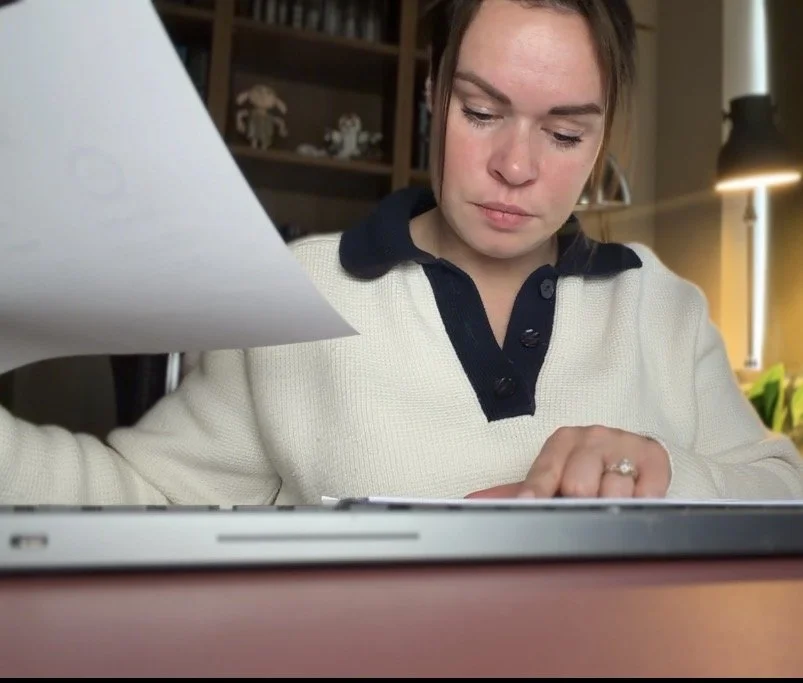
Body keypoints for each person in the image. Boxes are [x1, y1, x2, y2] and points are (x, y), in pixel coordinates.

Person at [2, 0, 802, 506]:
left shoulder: (661, 306)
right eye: (481, 111)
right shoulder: (299, 298)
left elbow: (781, 488)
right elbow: (141, 492)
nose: (516, 167)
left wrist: (665, 470)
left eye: (564, 133)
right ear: (431, 94)